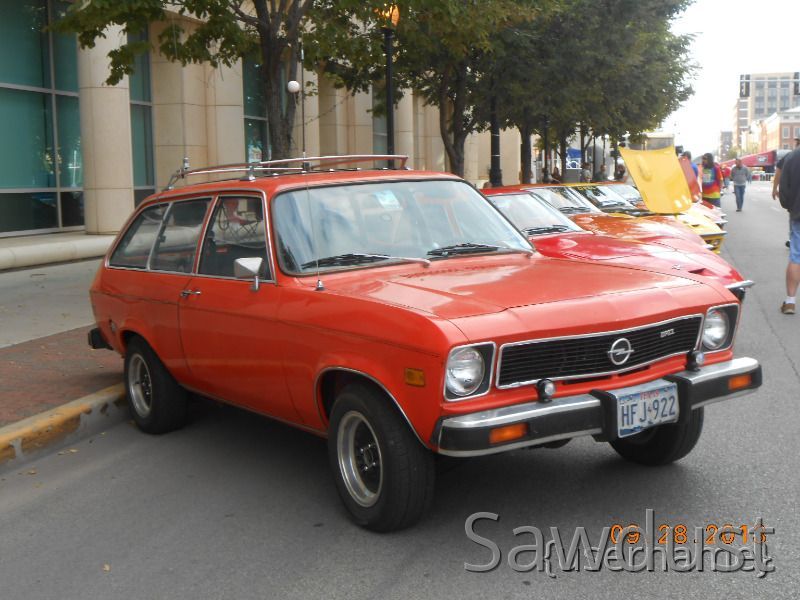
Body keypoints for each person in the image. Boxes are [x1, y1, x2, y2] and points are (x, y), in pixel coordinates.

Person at [778, 145, 800, 314]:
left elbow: (784, 190)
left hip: (798, 214)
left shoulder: (792, 157)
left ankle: (790, 302)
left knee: (796, 257)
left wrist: (790, 206)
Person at [773, 137, 800, 247]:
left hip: (796, 202)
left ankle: (793, 240)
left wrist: (775, 189)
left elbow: (780, 173)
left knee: (795, 226)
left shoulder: (790, 156)